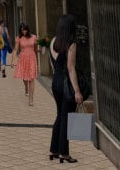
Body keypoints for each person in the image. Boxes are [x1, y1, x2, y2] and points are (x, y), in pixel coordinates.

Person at [48, 14, 83, 164]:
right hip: (66, 84)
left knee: (59, 115)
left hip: (55, 82)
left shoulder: (53, 41)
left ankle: (54, 149)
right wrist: (77, 91)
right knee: (66, 118)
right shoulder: (71, 43)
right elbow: (71, 68)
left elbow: (53, 65)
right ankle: (64, 153)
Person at [10, 22, 38, 105]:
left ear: (28, 29)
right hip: (23, 58)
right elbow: (15, 50)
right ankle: (26, 88)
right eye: (22, 30)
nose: (24, 32)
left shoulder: (34, 37)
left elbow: (35, 47)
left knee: (31, 79)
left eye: (25, 30)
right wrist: (12, 61)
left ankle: (31, 99)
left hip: (32, 58)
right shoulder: (19, 38)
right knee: (25, 78)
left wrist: (38, 51)